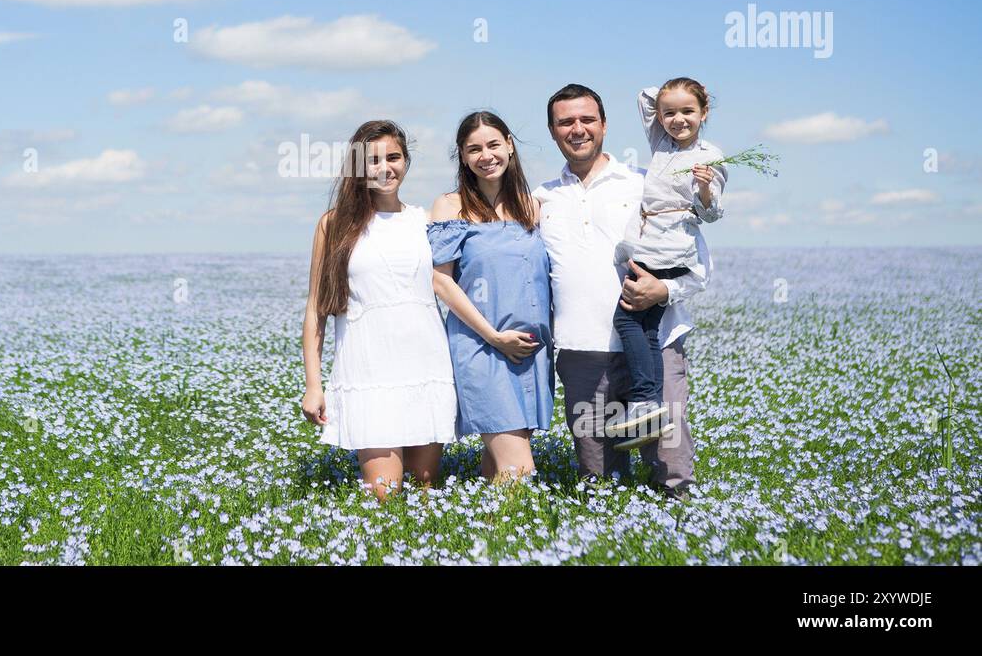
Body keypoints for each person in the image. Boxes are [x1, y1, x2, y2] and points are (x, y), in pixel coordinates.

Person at [533, 84, 708, 500]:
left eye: (587, 119)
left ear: (605, 125)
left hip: (656, 344)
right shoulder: (541, 197)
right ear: (553, 131)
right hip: (581, 352)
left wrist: (662, 290)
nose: (578, 129)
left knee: (672, 470)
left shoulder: (645, 183)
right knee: (599, 480)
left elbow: (699, 266)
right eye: (566, 122)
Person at [300, 120, 458, 501]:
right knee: (385, 495)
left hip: (426, 366)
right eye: (372, 160)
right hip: (368, 369)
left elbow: (449, 285)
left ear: (406, 162)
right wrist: (313, 385)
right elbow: (316, 310)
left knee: (425, 490)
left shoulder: (423, 221)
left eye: (394, 157)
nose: (385, 168)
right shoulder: (334, 224)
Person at [427, 111, 554, 482]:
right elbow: (442, 283)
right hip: (482, 347)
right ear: (463, 157)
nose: (487, 155)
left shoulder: (532, 206)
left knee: (499, 462)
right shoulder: (450, 206)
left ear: (510, 146)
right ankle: (511, 538)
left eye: (494, 144)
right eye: (474, 149)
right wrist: (494, 337)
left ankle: (487, 535)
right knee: (519, 468)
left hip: (531, 349)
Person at [608, 79, 726, 449]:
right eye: (669, 113)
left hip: (671, 248)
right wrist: (681, 89)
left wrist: (704, 187)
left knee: (626, 319)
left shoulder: (710, 156)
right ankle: (650, 407)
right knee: (646, 329)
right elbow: (643, 98)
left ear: (704, 113)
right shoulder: (661, 144)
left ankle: (645, 400)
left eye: (688, 112)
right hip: (648, 244)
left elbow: (712, 213)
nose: (678, 120)